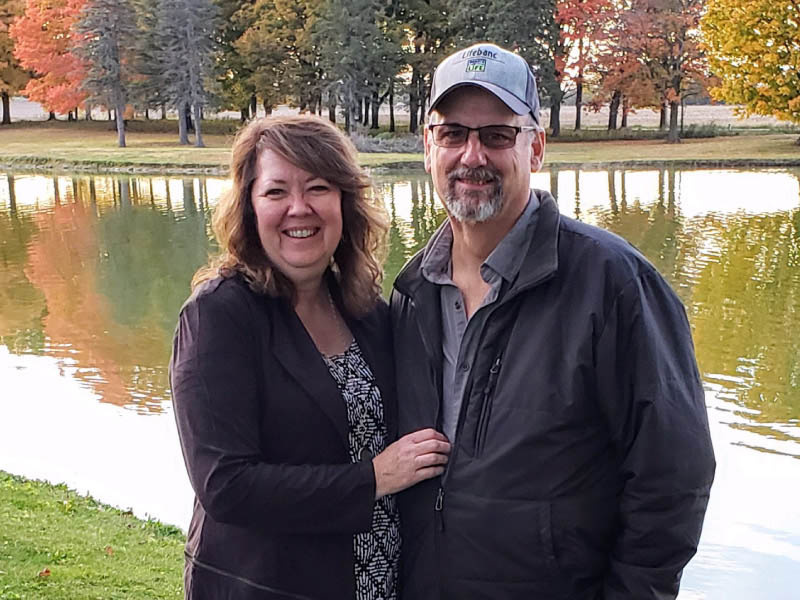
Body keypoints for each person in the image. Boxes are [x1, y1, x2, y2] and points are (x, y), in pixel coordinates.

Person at [391, 43, 716, 599]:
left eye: (497, 135)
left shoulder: (615, 284)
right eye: (453, 134)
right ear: (428, 148)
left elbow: (672, 482)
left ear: (535, 147)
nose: (473, 155)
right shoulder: (412, 289)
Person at [169, 115, 450, 600]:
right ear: (249, 206)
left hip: (375, 581)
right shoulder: (219, 315)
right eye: (276, 192)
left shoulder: (366, 309)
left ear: (345, 202)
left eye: (318, 187)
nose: (299, 208)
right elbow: (227, 485)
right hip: (269, 586)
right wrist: (373, 480)